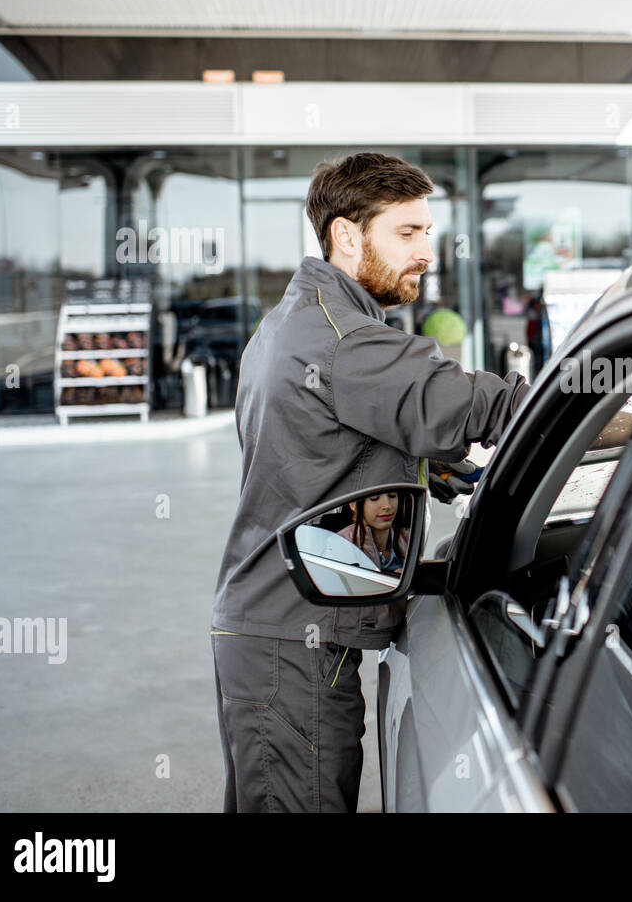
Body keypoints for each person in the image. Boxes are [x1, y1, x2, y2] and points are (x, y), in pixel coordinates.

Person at [211, 152, 530, 812]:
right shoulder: (344, 339)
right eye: (407, 233)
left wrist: (426, 467)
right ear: (347, 236)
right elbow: (478, 404)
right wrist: (610, 410)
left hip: (277, 632)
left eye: (428, 234)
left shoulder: (287, 325)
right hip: (294, 644)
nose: (426, 253)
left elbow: (314, 447)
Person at [336, 491, 410, 574]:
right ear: (353, 504)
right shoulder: (339, 544)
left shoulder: (412, 537)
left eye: (392, 495)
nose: (387, 505)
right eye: (374, 498)